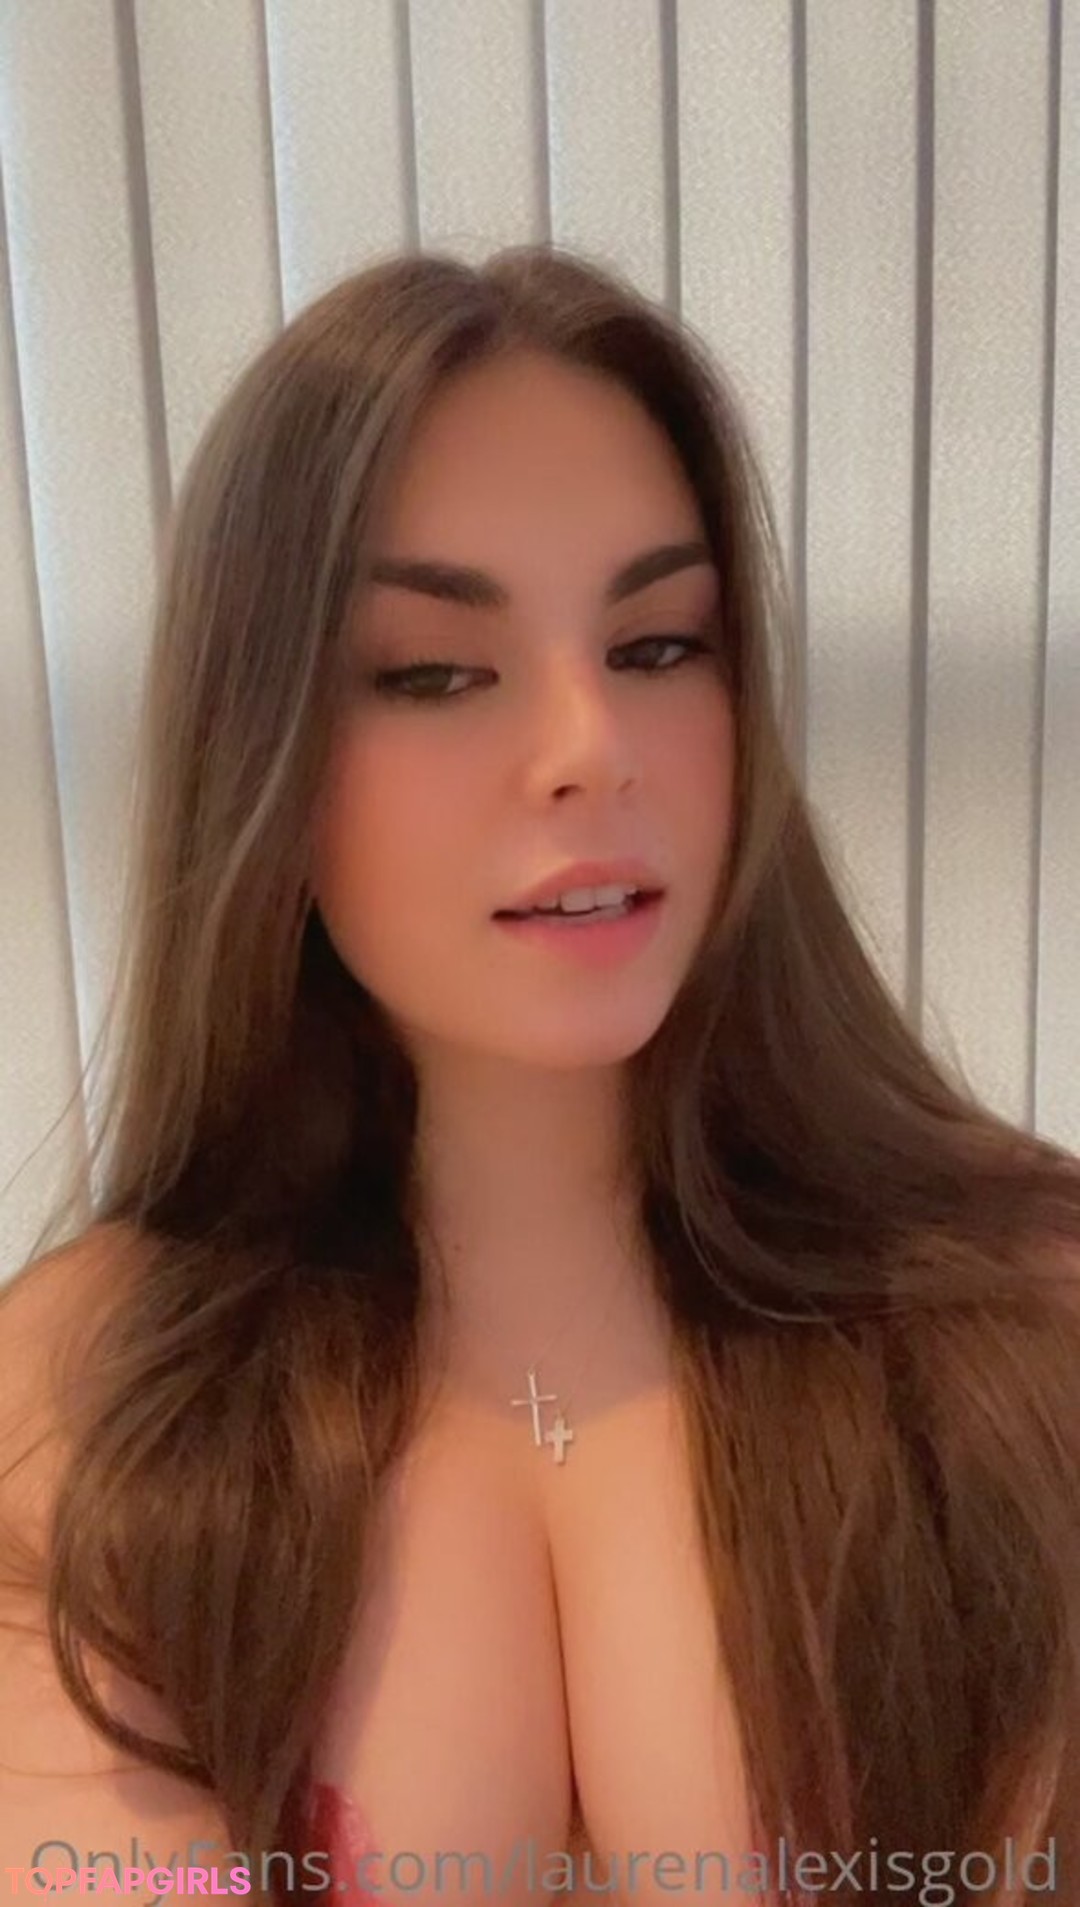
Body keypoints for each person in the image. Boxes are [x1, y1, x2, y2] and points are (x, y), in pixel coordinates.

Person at [1, 242, 1079, 1907]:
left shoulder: (1029, 1332)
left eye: (658, 645)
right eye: (434, 672)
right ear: (260, 745)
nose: (590, 748)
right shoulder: (85, 1414)